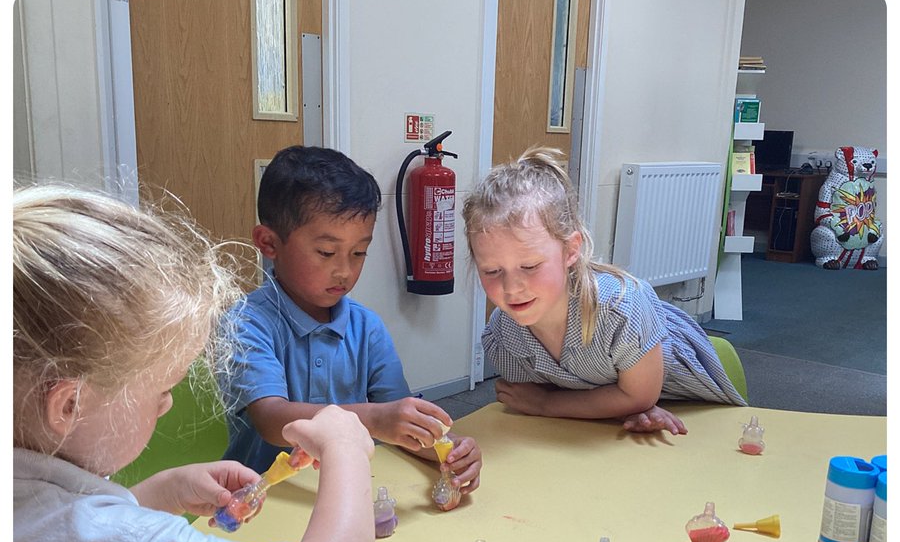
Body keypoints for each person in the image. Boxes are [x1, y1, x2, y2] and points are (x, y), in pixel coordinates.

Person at [13, 185, 375, 542]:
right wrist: (347, 446)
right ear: (70, 404)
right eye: (163, 389)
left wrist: (149, 497)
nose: (166, 405)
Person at [220, 145, 482, 495]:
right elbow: (272, 419)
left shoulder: (366, 328)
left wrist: (450, 450)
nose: (344, 270)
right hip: (263, 500)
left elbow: (402, 424)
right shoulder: (247, 323)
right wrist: (376, 419)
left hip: (347, 493)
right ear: (269, 242)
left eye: (359, 253)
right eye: (326, 253)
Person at [463, 147, 746, 435]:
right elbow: (529, 400)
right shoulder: (504, 332)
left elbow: (639, 396)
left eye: (531, 266)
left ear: (571, 250)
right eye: (492, 271)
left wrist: (547, 404)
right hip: (605, 424)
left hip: (691, 409)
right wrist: (617, 408)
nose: (512, 289)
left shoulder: (621, 307)